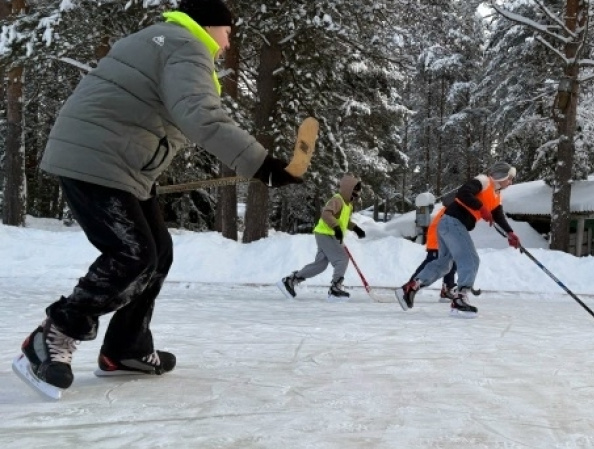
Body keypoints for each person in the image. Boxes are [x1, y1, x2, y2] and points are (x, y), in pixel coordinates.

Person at [17, 0, 304, 392]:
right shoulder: (187, 45)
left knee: (157, 253)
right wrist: (262, 164)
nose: (226, 44)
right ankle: (53, 334)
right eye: (228, 34)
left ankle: (124, 349)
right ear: (209, 26)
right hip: (97, 159)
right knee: (133, 255)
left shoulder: (164, 40)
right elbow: (199, 114)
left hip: (116, 162)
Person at [396, 162, 521, 317]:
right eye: (510, 178)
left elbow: (498, 216)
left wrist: (510, 233)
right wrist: (481, 208)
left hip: (448, 224)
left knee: (444, 264)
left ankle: (410, 287)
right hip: (452, 222)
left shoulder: (496, 196)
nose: (511, 182)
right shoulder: (483, 181)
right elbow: (463, 193)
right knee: (471, 259)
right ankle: (460, 299)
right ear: (501, 176)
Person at [278, 174, 366, 301]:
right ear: (348, 188)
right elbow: (326, 214)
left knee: (320, 265)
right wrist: (336, 228)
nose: (357, 193)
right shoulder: (337, 200)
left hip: (327, 234)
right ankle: (335, 288)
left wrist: (355, 228)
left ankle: (290, 280)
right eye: (356, 189)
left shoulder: (348, 204)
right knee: (342, 259)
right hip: (326, 233)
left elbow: (344, 220)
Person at [407, 206, 458, 302]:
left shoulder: (456, 206)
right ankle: (409, 286)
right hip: (438, 239)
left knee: (451, 264)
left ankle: (447, 289)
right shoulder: (455, 208)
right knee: (430, 264)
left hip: (444, 238)